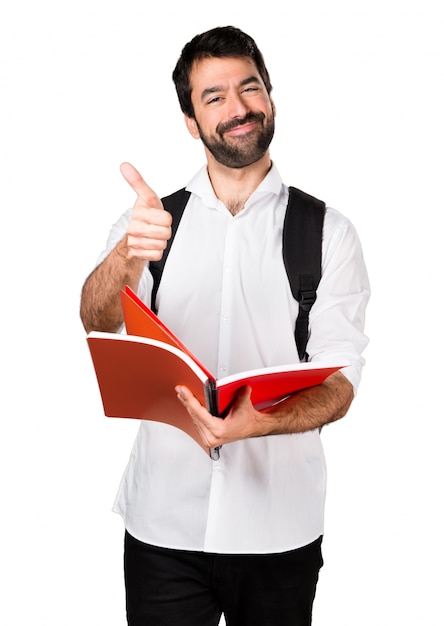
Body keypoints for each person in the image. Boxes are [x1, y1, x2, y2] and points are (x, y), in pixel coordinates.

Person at [80, 25, 370, 626]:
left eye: (249, 88)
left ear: (270, 97)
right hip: (163, 522)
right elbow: (97, 319)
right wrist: (126, 255)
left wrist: (255, 423)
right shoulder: (153, 221)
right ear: (191, 120)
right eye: (214, 97)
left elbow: (340, 385)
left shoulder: (328, 233)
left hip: (279, 529)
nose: (237, 109)